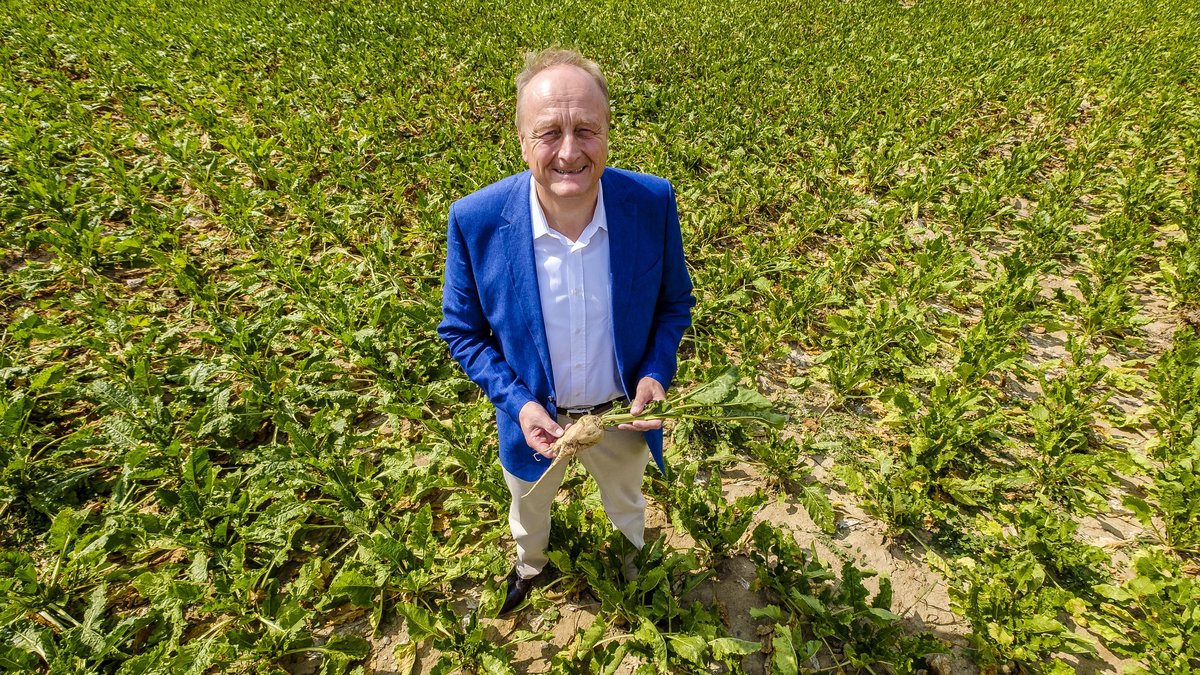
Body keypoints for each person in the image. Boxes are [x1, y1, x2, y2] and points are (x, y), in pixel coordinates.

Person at [437, 48, 694, 615]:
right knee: (528, 507)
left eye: (587, 130)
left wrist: (654, 371)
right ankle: (531, 563)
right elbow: (461, 331)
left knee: (628, 498)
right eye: (549, 132)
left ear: (608, 133)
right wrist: (518, 403)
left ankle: (634, 561)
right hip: (535, 423)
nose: (570, 152)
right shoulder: (476, 220)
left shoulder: (651, 202)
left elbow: (675, 304)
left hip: (620, 413)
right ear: (522, 140)